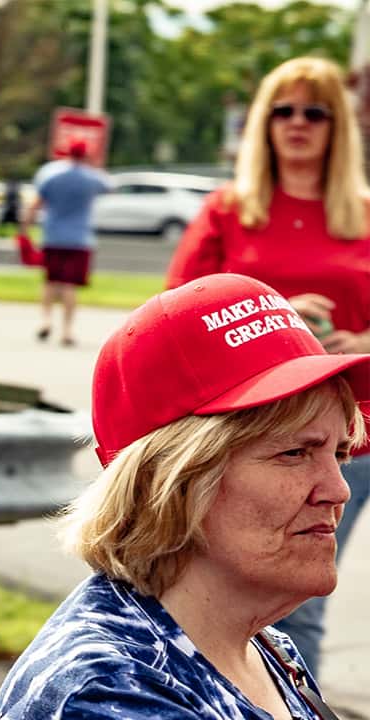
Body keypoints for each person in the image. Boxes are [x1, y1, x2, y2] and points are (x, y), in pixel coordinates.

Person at [0, 272, 370, 719]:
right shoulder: (112, 693)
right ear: (166, 479)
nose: (337, 489)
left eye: (340, 453)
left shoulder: (258, 645)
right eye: (293, 452)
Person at [166, 56, 370, 679]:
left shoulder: (364, 213)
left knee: (299, 593)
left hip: (353, 431)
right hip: (248, 435)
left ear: (340, 124)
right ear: (263, 122)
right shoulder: (231, 210)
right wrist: (276, 320)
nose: (298, 123)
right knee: (230, 586)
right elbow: (172, 320)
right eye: (283, 110)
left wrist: (358, 336)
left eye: (315, 110)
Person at [20, 139, 110, 347]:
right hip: (79, 239)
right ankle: (67, 331)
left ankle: (46, 320)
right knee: (70, 285)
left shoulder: (51, 174)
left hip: (53, 236)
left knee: (50, 281)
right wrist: (94, 165)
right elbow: (109, 185)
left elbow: (35, 204)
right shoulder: (91, 178)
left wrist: (25, 227)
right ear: (85, 155)